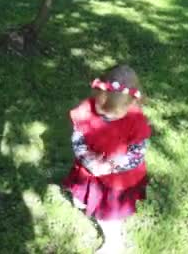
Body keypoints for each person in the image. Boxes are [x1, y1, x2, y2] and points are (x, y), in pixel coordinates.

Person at [63, 64, 152, 254]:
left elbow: (137, 154)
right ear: (96, 93)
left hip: (116, 179)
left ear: (131, 104)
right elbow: (78, 139)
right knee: (82, 196)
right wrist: (88, 160)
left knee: (107, 216)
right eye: (100, 109)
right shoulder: (86, 109)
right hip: (90, 169)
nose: (105, 115)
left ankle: (114, 243)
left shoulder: (136, 121)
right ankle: (85, 200)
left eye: (113, 113)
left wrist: (111, 165)